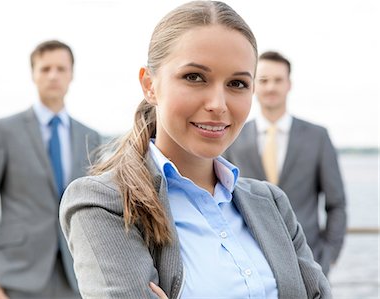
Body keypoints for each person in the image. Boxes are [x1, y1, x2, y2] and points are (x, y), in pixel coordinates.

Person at [60, 1, 331, 298]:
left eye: (237, 83)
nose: (218, 103)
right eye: (194, 77)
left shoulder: (272, 203)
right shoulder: (105, 203)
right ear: (150, 85)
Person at [0, 40, 101, 299]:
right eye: (45, 68)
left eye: (61, 68)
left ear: (71, 74)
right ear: (33, 74)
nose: (53, 75)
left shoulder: (89, 137)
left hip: (77, 277)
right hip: (16, 277)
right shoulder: (4, 131)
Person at [223, 50, 347, 276]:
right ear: (253, 85)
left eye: (278, 80)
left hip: (309, 264)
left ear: (289, 84)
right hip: (249, 266)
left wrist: (328, 257)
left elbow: (336, 203)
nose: (271, 87)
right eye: (263, 80)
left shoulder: (318, 137)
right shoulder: (232, 137)